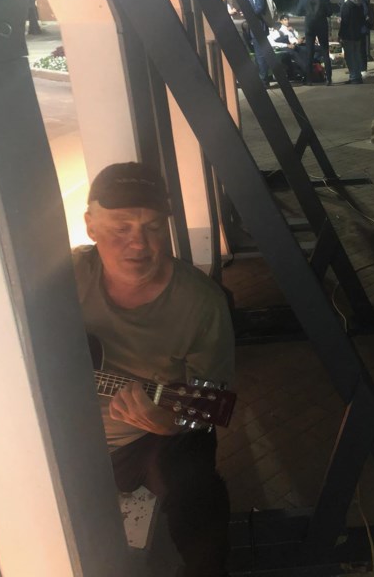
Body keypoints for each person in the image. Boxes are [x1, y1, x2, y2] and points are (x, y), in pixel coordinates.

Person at [73, 162, 235, 577]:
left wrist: (172, 422)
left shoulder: (201, 302)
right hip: (67, 438)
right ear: (91, 226)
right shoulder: (68, 278)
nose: (138, 244)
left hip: (147, 438)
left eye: (152, 227)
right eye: (120, 227)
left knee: (196, 495)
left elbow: (210, 399)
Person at [294, 0, 334, 86]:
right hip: (321, 24)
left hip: (309, 25)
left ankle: (309, 79)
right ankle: (329, 79)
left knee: (309, 51)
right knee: (325, 50)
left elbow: (298, 12)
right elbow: (329, 12)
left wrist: (308, 13)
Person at [238, 0, 272, 88]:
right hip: (256, 27)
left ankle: (264, 80)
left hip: (259, 27)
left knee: (260, 54)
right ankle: (264, 77)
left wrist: (249, 14)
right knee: (260, 54)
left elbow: (260, 8)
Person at [338, 0, 366, 85]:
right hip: (357, 34)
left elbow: (344, 22)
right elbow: (362, 19)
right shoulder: (359, 4)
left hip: (348, 35)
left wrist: (340, 34)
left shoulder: (347, 5)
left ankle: (354, 76)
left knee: (350, 56)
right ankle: (358, 76)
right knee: (357, 55)